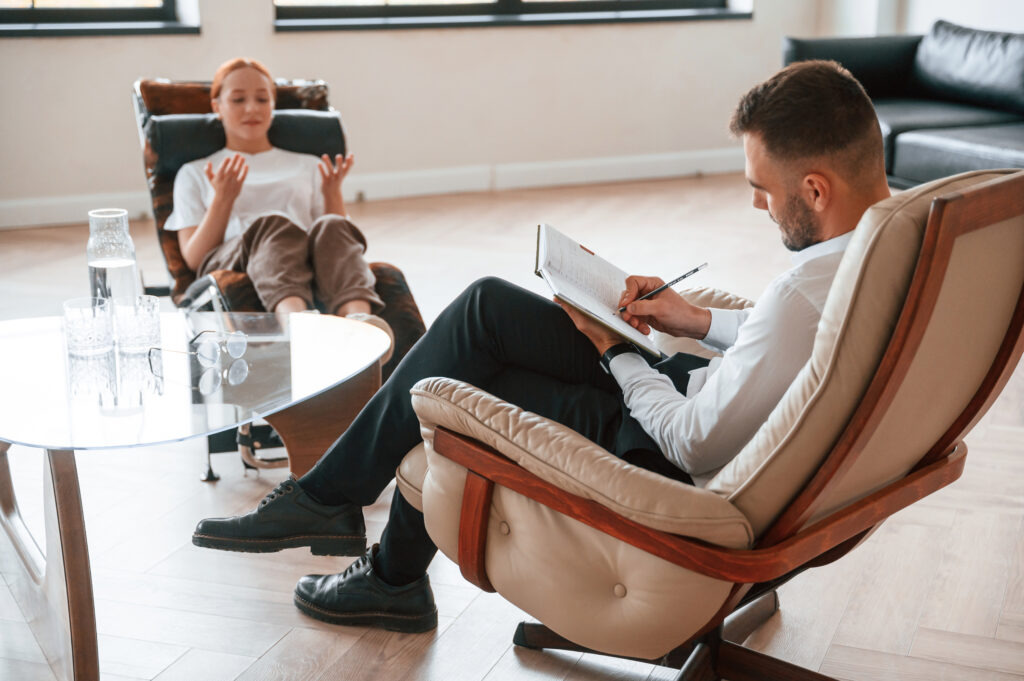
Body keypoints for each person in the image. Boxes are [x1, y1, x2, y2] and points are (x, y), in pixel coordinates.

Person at [192, 60, 891, 633]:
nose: (757, 206)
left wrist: (614, 350)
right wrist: (690, 320)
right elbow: (791, 341)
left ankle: (380, 566)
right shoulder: (886, 241)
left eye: (762, 190)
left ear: (814, 188)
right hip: (691, 393)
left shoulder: (805, 291)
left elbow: (693, 445)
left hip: (661, 452)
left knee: (452, 389)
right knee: (485, 307)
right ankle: (337, 509)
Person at [164, 57, 390, 340]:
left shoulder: (308, 165)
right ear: (216, 107)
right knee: (274, 224)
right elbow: (195, 258)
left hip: (304, 256)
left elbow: (332, 240)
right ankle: (297, 326)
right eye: (237, 100)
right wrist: (223, 200)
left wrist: (332, 194)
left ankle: (360, 327)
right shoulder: (196, 172)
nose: (251, 108)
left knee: (333, 224)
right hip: (233, 259)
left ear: (273, 106)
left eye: (262, 99)